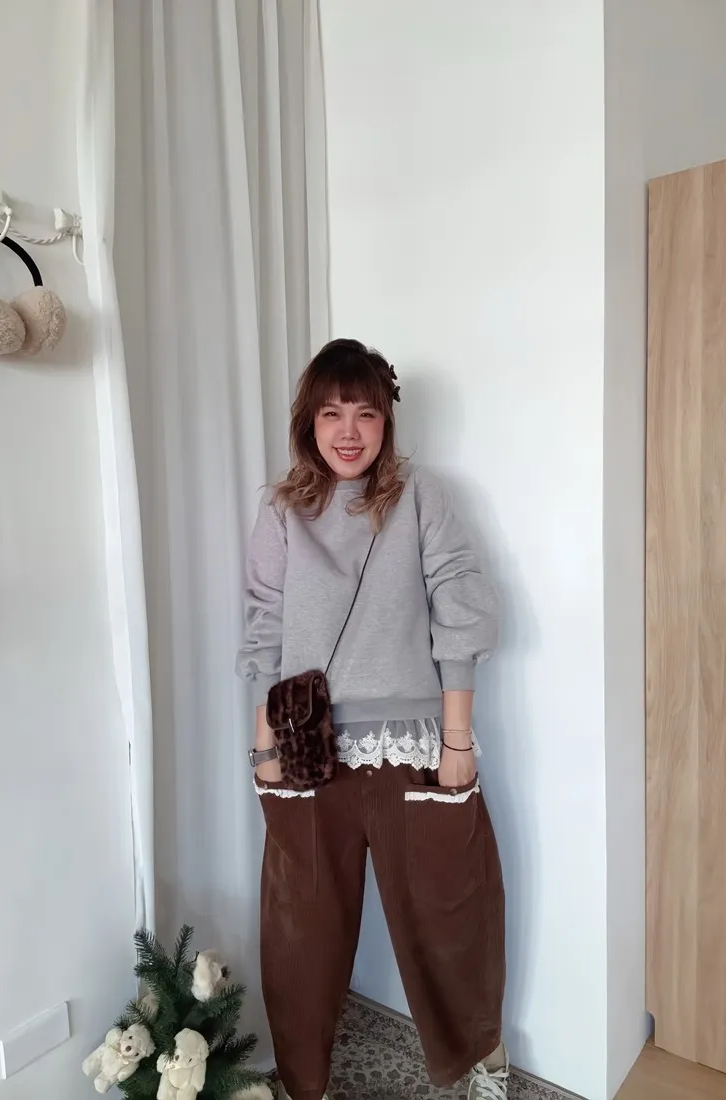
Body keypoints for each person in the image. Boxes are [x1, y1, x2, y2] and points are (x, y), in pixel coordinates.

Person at [237, 339, 507, 1100]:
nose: (348, 431)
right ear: (308, 422)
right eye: (331, 413)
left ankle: (482, 1062)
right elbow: (263, 628)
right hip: (303, 750)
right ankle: (304, 1084)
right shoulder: (282, 510)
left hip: (411, 746)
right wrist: (262, 754)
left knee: (449, 914)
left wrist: (457, 740)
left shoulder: (421, 496)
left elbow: (460, 605)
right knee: (301, 931)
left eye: (365, 412)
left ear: (387, 420)